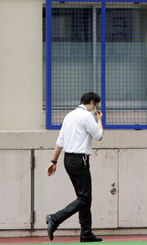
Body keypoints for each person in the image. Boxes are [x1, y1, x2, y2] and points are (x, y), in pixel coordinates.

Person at [46, 92, 104, 243]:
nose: (95, 108)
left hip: (68, 159)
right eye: (96, 105)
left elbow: (60, 141)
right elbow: (99, 135)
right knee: (85, 197)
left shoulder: (69, 116)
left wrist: (54, 161)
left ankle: (86, 233)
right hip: (80, 160)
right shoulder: (86, 116)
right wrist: (99, 120)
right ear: (92, 102)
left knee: (84, 197)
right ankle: (55, 218)